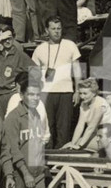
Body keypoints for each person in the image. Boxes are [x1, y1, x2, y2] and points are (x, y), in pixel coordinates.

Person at [32, 15, 81, 147]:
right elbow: (34, 74)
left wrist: (77, 91)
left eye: (59, 28)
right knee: (47, 127)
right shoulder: (39, 49)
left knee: (63, 128)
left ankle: (61, 160)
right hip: (46, 93)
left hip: (65, 92)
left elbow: (77, 70)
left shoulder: (70, 45)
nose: (57, 31)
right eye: (53, 28)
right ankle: (48, 158)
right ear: (47, 31)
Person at [0, 27, 34, 117]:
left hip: (10, 94)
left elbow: (35, 71)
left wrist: (22, 86)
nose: (7, 41)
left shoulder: (20, 55)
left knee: (10, 120)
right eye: (4, 39)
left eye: (9, 38)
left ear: (13, 38)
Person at [63, 78, 111, 152]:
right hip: (95, 135)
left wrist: (79, 145)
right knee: (67, 146)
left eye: (85, 93)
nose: (82, 97)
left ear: (93, 93)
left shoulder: (100, 104)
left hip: (108, 137)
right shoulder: (83, 104)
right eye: (80, 93)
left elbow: (91, 127)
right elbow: (80, 126)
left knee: (78, 147)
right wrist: (73, 144)